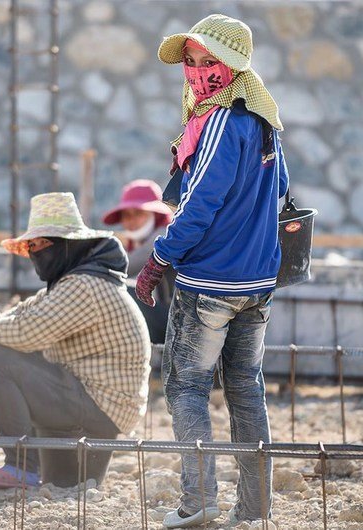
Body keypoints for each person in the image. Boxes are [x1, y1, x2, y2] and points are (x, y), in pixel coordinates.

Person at [134, 14, 289, 528]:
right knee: (246, 388)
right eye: (193, 62)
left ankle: (198, 501)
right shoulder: (263, 121)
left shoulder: (220, 122)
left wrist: (158, 259)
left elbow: (198, 207)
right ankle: (255, 509)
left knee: (186, 387)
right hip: (257, 285)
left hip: (208, 285)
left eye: (211, 63)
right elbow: (282, 192)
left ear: (235, 68)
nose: (200, 72)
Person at [0, 192, 151, 489]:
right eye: (30, 246)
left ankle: (21, 465)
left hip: (98, 408)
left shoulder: (83, 285)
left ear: (66, 245)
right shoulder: (74, 283)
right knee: (64, 485)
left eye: (40, 244)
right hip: (95, 410)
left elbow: (26, 331)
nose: (34, 252)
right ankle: (36, 468)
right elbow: (22, 315)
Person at [101, 179, 176, 343]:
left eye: (138, 213)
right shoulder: (136, 242)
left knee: (121, 290)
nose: (131, 221)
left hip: (177, 322)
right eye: (126, 215)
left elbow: (123, 267)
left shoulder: (164, 235)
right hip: (166, 317)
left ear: (155, 215)